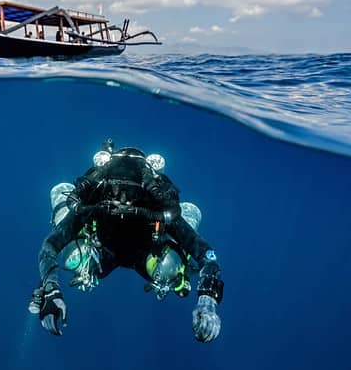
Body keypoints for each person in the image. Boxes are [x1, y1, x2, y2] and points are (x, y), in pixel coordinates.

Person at [29, 139, 224, 343]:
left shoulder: (157, 207)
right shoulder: (93, 202)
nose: (122, 198)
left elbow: (205, 253)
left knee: (171, 266)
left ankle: (176, 275)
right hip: (101, 253)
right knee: (72, 253)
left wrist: (207, 299)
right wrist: (50, 288)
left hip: (147, 255)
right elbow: (51, 245)